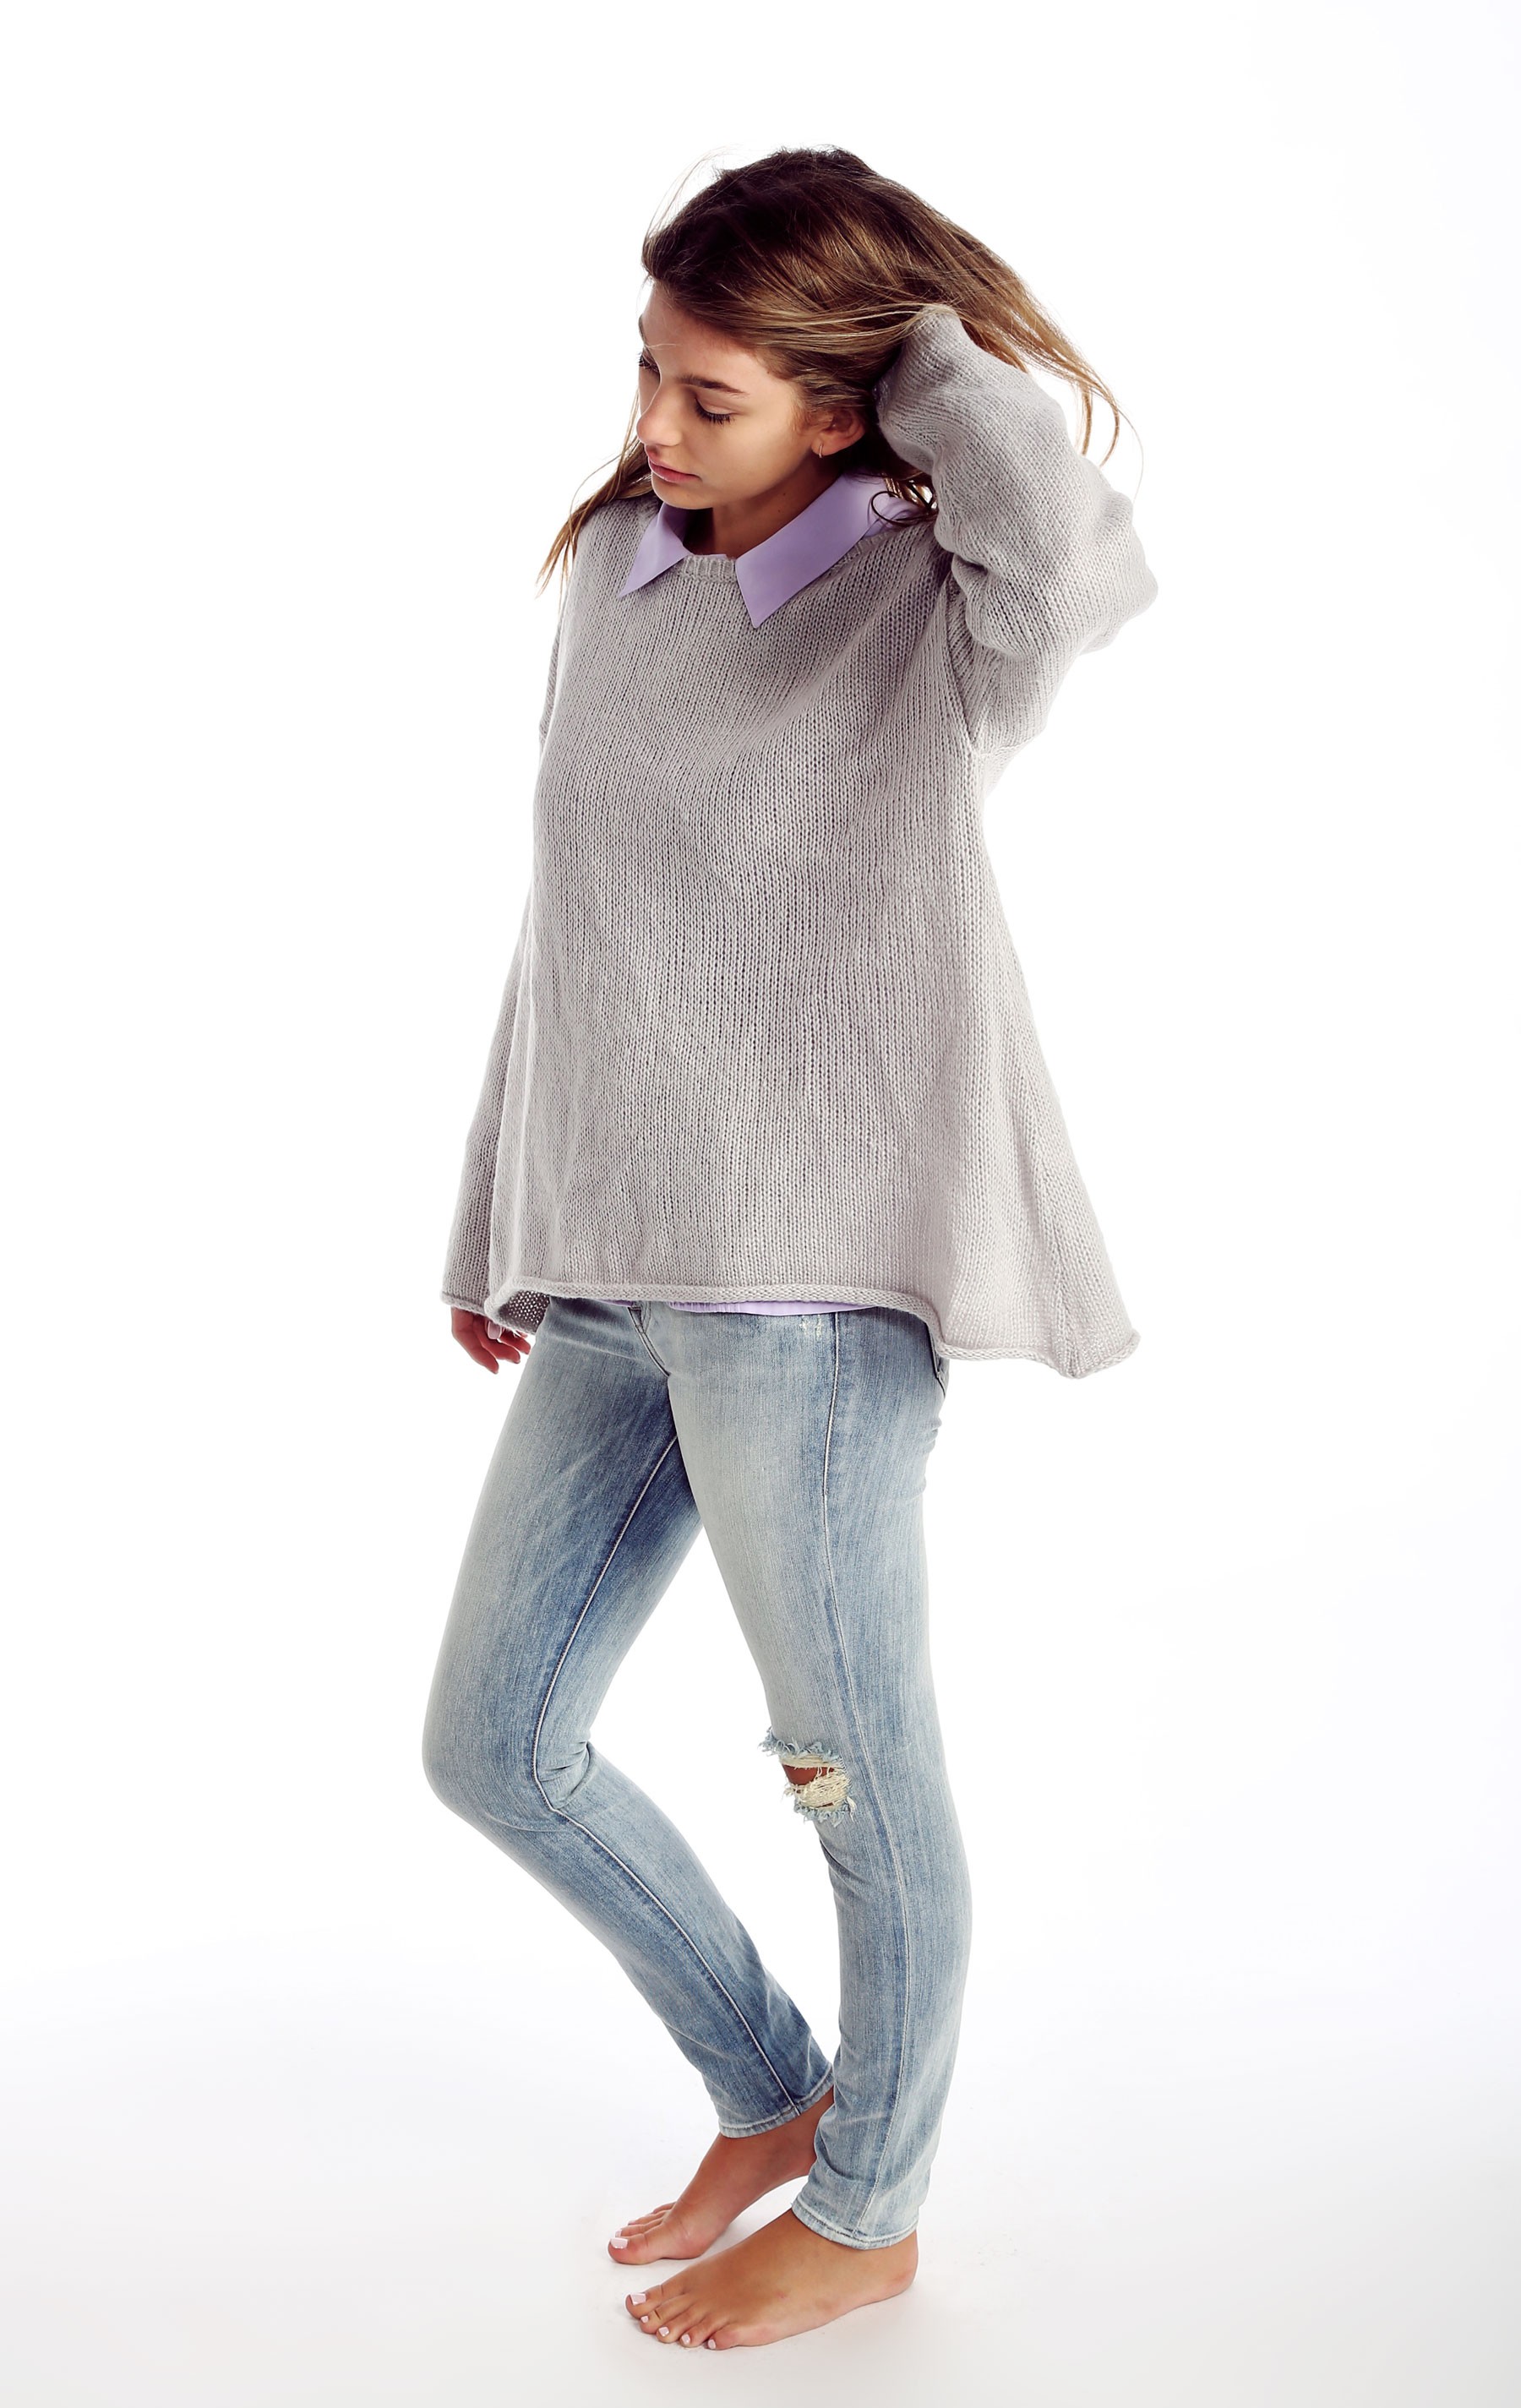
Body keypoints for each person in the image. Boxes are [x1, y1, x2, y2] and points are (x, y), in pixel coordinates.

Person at [422, 144, 1158, 2351]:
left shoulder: (939, 608)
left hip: (810, 1296)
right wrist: (501, 1209)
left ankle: (874, 2203)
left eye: (713, 390)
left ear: (847, 404)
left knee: (852, 1769)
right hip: (616, 1270)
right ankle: (775, 2090)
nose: (656, 424)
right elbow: (576, 928)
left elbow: (1081, 553)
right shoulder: (618, 574)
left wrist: (907, 332)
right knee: (495, 1745)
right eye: (648, 371)